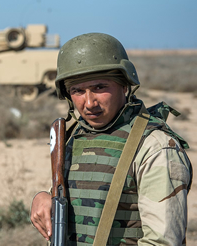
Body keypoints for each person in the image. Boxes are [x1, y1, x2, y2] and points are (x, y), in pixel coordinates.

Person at [30, 33, 192, 245]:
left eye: (99, 87)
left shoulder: (155, 146)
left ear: (125, 85)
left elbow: (162, 241)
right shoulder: (75, 137)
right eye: (77, 90)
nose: (89, 103)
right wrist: (43, 197)